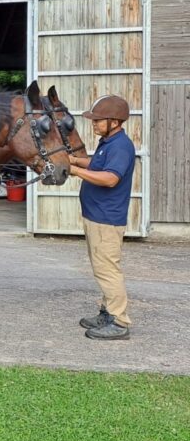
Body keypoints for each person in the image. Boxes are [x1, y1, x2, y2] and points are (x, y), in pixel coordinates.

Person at [68, 95, 137, 341]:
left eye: (98, 120)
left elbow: (110, 178)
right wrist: (76, 160)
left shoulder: (120, 146)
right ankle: (107, 312)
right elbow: (98, 164)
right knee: (102, 269)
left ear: (115, 121)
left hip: (106, 219)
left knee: (107, 270)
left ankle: (119, 322)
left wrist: (75, 171)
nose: (93, 124)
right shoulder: (107, 143)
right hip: (96, 216)